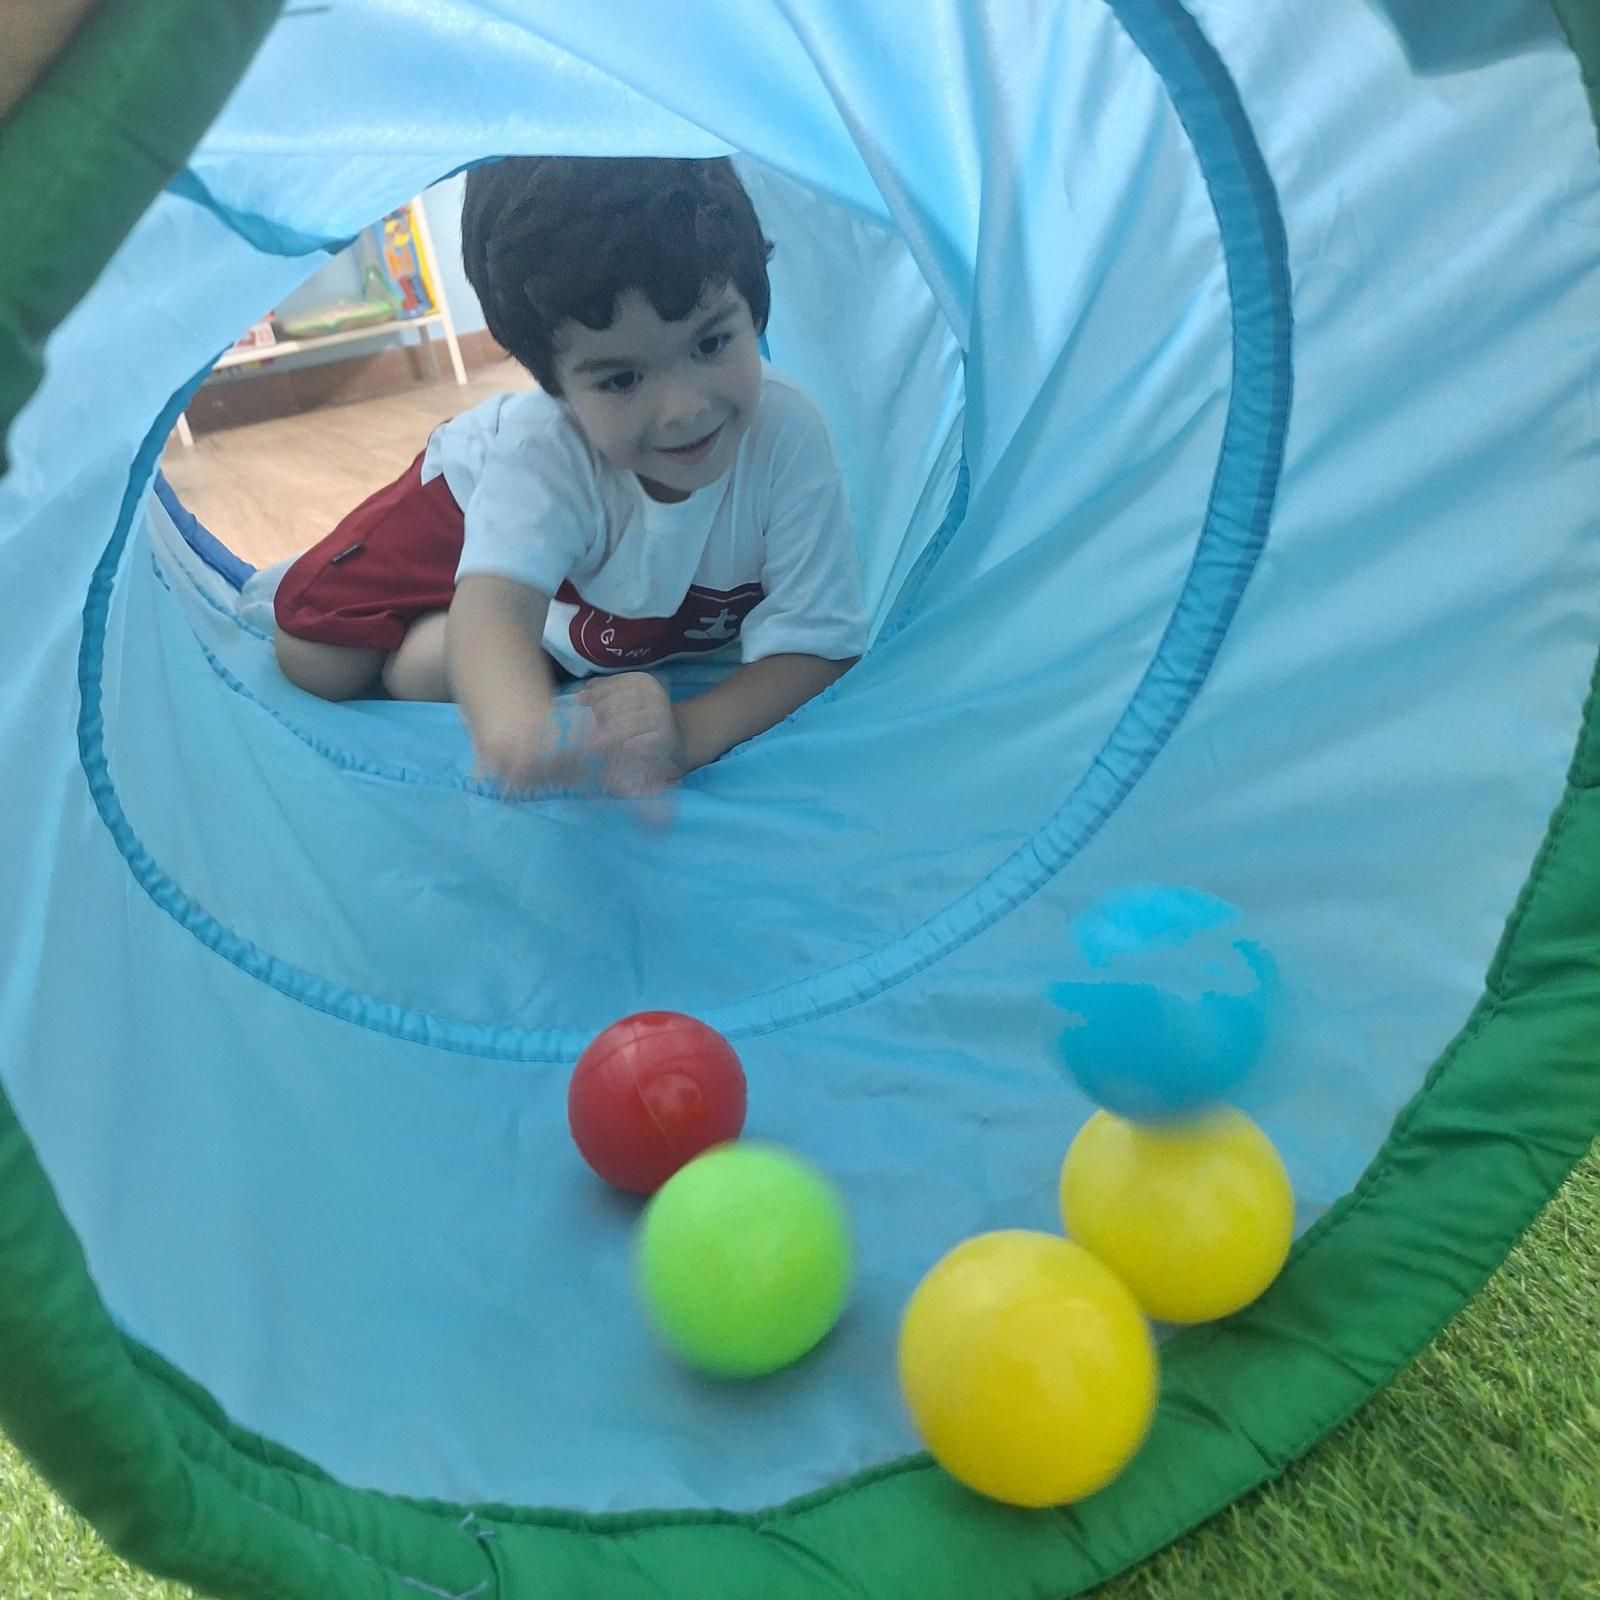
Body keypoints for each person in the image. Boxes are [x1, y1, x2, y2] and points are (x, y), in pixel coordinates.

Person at [272, 155, 867, 797]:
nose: (685, 409)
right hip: (466, 500)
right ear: (553, 386)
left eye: (709, 344)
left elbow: (818, 645)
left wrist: (686, 732)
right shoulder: (543, 448)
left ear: (753, 311)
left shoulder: (788, 433)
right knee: (316, 660)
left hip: (594, 579)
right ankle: (488, 622)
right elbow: (495, 609)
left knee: (425, 676)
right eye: (621, 379)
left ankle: (497, 635)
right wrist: (517, 731)